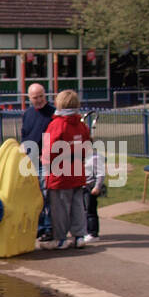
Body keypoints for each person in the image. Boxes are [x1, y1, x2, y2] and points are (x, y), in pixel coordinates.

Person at [41, 89, 91, 249]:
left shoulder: (56, 124)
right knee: (77, 205)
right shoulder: (81, 125)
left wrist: (45, 161)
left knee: (60, 208)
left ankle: (60, 239)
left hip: (59, 172)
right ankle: (79, 236)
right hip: (77, 169)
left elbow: (49, 149)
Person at [20, 83, 56, 242]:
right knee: (34, 196)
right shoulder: (27, 114)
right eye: (36, 97)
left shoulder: (52, 113)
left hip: (46, 161)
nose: (40, 100)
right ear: (30, 98)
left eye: (41, 96)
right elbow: (25, 134)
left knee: (46, 195)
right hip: (30, 160)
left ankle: (48, 228)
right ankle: (39, 226)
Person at [83, 144, 106, 243]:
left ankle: (93, 233)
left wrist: (97, 187)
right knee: (83, 210)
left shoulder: (94, 158)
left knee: (90, 210)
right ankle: (86, 231)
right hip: (82, 186)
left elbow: (100, 174)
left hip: (90, 187)